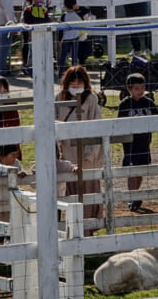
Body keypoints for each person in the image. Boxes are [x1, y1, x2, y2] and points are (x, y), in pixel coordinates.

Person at [56, 66, 104, 228]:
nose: (76, 87)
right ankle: (73, 228)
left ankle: (89, 228)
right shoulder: (59, 99)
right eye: (73, 84)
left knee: (89, 193)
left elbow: (96, 127)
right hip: (68, 157)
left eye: (79, 83)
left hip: (88, 157)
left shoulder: (91, 99)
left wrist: (89, 155)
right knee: (72, 195)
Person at [118, 72, 158, 213]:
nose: (140, 91)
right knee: (131, 169)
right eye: (136, 88)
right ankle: (132, 197)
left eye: (142, 88)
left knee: (140, 170)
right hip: (130, 144)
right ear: (129, 89)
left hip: (144, 142)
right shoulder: (124, 104)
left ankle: (135, 194)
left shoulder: (148, 102)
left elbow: (157, 119)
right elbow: (119, 124)